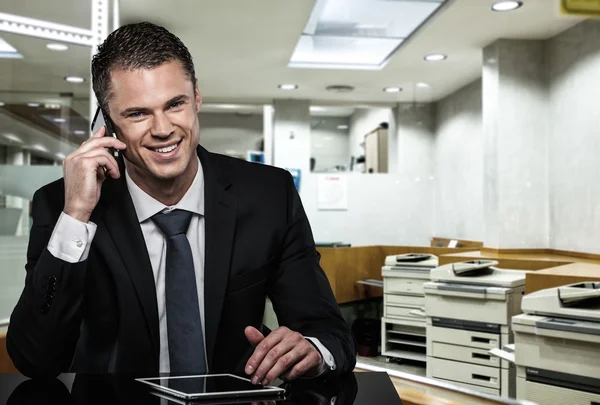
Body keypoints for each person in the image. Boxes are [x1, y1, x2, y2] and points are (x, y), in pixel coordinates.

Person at [7, 22, 356, 382]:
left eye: (175, 104)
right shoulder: (62, 205)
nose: (163, 129)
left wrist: (313, 350)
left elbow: (331, 333)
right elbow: (35, 358)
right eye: (138, 113)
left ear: (197, 97)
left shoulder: (269, 195)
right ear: (108, 125)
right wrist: (77, 215)